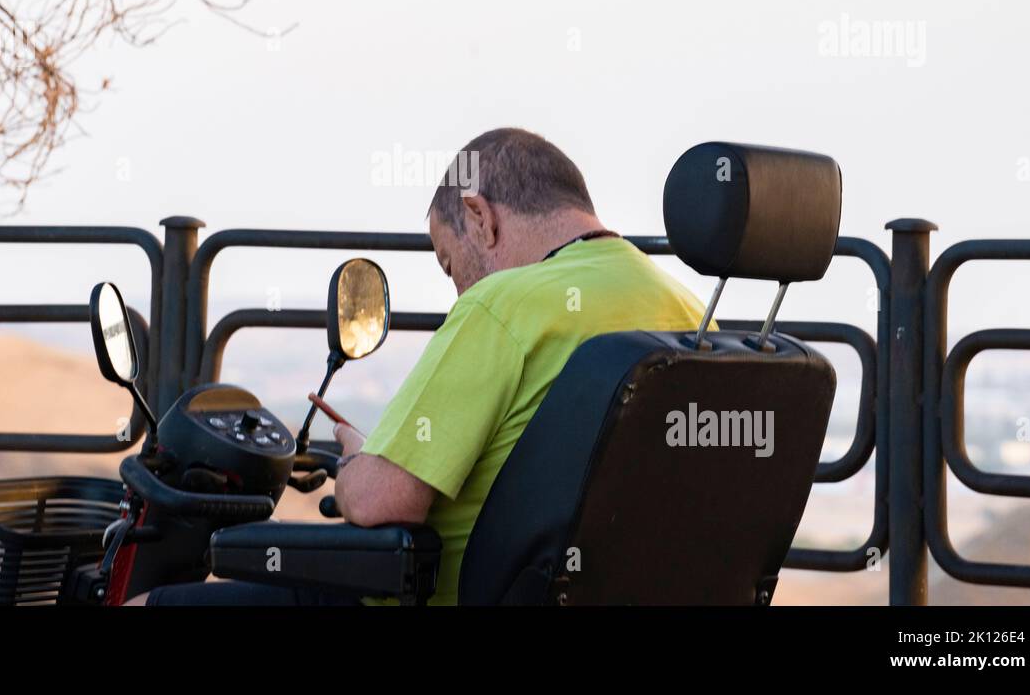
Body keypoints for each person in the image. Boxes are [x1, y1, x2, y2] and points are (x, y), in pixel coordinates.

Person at [140, 127, 712, 605]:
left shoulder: (503, 304)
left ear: (479, 217)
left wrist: (360, 460)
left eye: (448, 266)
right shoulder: (689, 314)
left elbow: (381, 502)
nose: (458, 290)